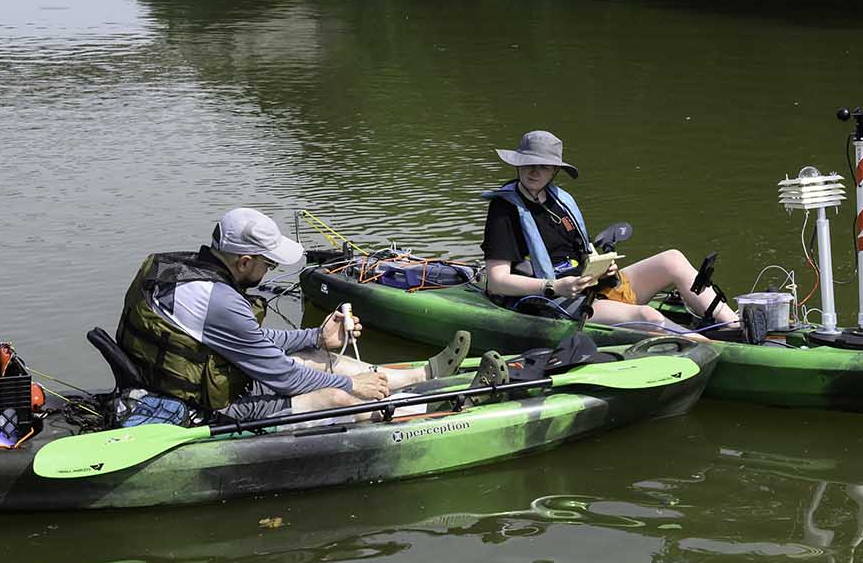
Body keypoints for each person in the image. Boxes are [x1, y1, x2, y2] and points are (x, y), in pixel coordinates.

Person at [116, 207, 480, 424]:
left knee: (321, 359)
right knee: (336, 396)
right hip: (200, 408)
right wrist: (354, 387)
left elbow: (248, 341)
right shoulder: (219, 301)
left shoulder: (176, 270)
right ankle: (432, 410)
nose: (271, 270)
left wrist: (315, 337)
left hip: (180, 382)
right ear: (244, 261)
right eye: (269, 263)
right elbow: (285, 377)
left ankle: (425, 374)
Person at [479, 130, 739, 338]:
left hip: (589, 287)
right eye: (529, 164)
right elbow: (497, 281)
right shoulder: (504, 209)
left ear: (555, 171)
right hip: (553, 301)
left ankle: (734, 327)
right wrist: (554, 286)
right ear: (518, 165)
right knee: (648, 316)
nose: (535, 171)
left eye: (544, 166)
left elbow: (584, 250)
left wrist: (605, 268)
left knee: (672, 258)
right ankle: (719, 351)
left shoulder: (559, 200)